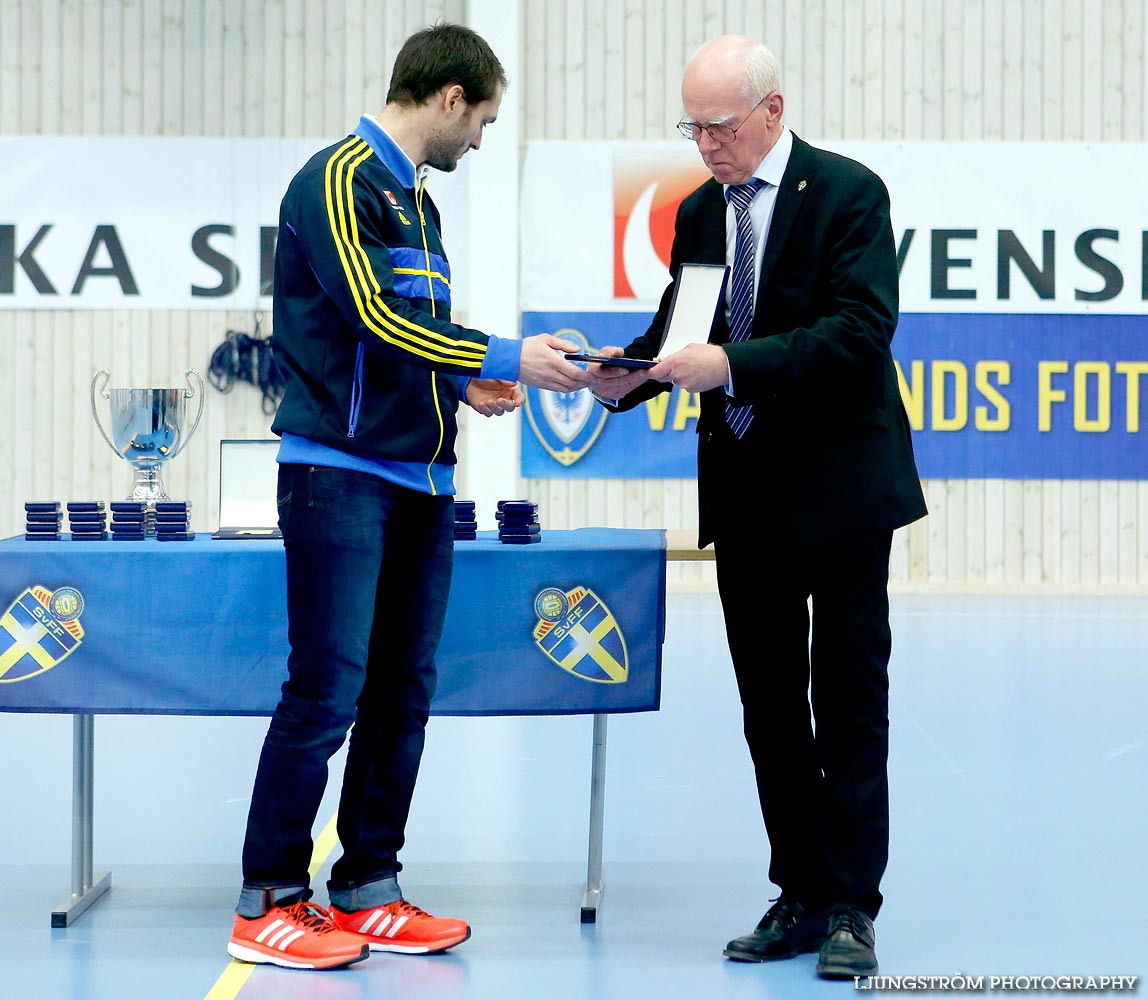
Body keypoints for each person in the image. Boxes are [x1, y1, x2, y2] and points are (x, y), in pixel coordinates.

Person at [226, 22, 589, 971]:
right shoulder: (338, 178)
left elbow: (408, 339)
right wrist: (510, 355)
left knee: (403, 690)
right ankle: (268, 897)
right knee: (326, 689)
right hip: (339, 476)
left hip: (423, 480)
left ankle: (368, 885)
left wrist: (465, 382)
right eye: (483, 122)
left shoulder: (418, 205)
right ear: (449, 97)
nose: (481, 142)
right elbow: (370, 317)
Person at [587, 35, 926, 980]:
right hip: (743, 494)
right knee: (769, 705)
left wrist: (734, 366)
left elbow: (859, 333)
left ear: (772, 111)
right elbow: (681, 328)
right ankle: (803, 890)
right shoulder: (700, 212)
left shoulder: (849, 194)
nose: (705, 146)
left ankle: (854, 903)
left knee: (850, 699)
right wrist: (623, 375)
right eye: (691, 128)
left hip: (843, 492)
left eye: (720, 127)